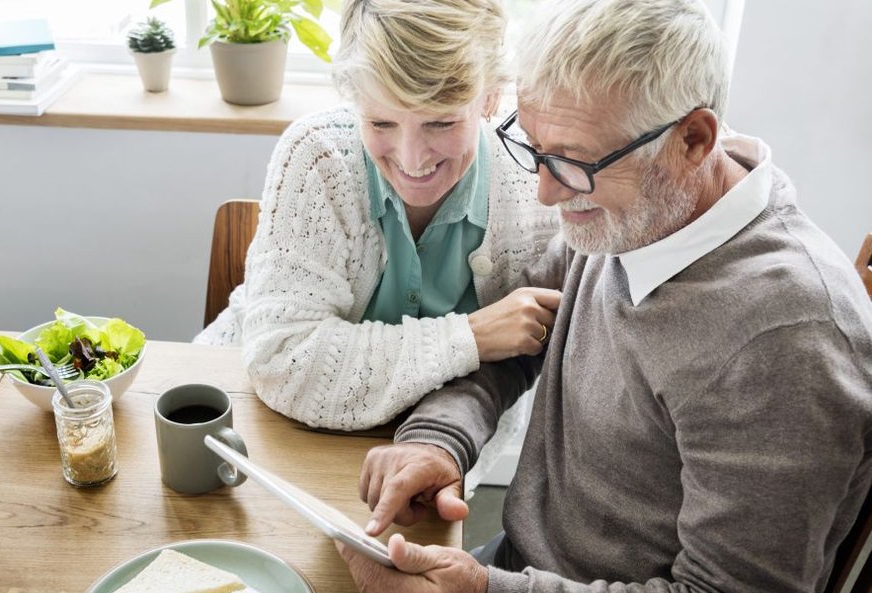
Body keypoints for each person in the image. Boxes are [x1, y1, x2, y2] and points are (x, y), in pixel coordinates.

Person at [338, 0, 872, 591]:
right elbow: (513, 341)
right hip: (517, 564)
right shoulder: (634, 205)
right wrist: (439, 443)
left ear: (694, 140)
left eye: (570, 162)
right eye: (535, 150)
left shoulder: (789, 342)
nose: (545, 193)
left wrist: (490, 591)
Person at [195, 0, 561, 486]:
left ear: (490, 97)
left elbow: (519, 366)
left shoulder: (537, 184)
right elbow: (284, 360)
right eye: (381, 123)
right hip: (260, 423)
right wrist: (470, 337)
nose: (412, 159)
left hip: (432, 446)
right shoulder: (318, 156)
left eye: (441, 123)